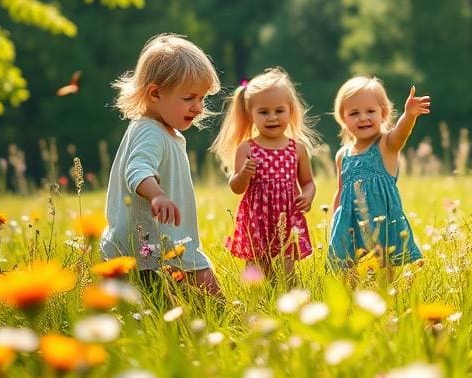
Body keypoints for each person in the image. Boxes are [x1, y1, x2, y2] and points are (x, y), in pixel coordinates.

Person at [99, 33, 222, 296]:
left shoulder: (163, 130)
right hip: (150, 243)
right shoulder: (150, 131)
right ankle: (235, 328)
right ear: (155, 93)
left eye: (202, 98)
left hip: (157, 242)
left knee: (163, 304)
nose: (198, 107)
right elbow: (138, 168)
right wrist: (157, 195)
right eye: (189, 98)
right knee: (206, 293)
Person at [211, 68, 319, 283]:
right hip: (256, 219)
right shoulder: (247, 149)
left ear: (291, 110)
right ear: (250, 114)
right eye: (263, 112)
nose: (272, 117)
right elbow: (236, 187)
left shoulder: (297, 149)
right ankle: (258, 308)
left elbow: (307, 182)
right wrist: (243, 174)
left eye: (279, 111)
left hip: (287, 218)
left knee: (287, 272)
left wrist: (308, 195)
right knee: (258, 272)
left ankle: (291, 306)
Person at [328, 75, 429, 270]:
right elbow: (340, 191)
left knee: (384, 271)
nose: (363, 117)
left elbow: (401, 133)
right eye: (354, 113)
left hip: (382, 223)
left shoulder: (386, 145)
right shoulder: (343, 155)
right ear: (343, 118)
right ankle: (352, 299)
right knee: (350, 271)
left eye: (370, 111)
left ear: (383, 113)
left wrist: (409, 115)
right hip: (350, 226)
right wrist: (334, 222)